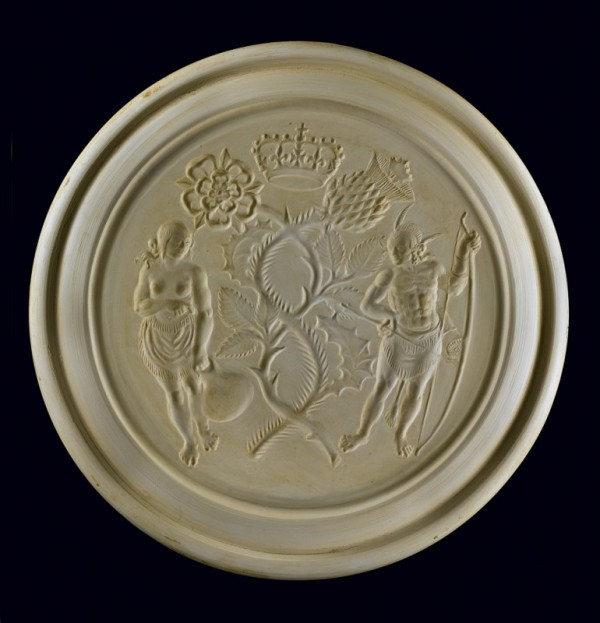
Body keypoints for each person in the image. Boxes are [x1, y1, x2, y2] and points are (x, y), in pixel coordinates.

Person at [339, 210, 481, 457]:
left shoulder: (433, 269)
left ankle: (401, 434)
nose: (395, 252)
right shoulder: (389, 275)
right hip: (398, 338)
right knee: (382, 387)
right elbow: (367, 305)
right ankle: (362, 434)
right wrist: (389, 315)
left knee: (416, 390)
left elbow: (454, 288)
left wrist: (463, 252)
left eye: (400, 247)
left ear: (413, 247)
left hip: (429, 338)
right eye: (392, 248)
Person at [134, 221, 215, 466]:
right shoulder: (149, 270)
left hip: (186, 337)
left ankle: (202, 428)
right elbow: (139, 306)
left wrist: (200, 349)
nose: (182, 246)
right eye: (177, 241)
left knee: (194, 387)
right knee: (174, 394)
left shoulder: (194, 273)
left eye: (187, 242)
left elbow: (205, 312)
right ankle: (188, 440)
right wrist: (167, 303)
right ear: (164, 241)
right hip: (157, 339)